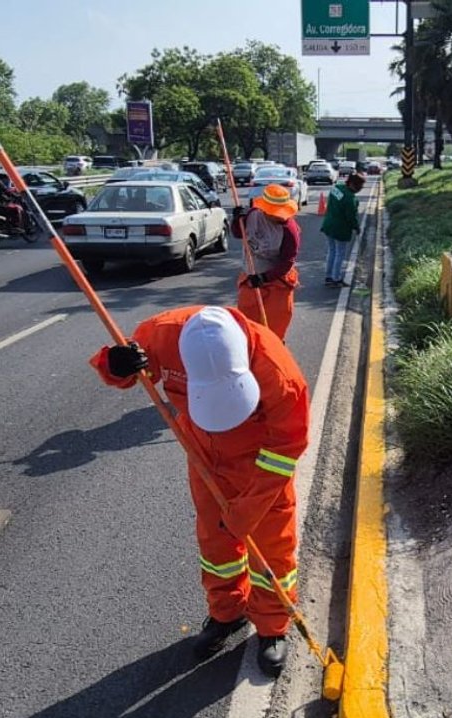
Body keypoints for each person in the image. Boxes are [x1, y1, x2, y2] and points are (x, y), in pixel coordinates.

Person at [89, 305, 309, 677]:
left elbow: (288, 444)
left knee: (271, 545)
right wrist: (117, 364)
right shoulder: (162, 335)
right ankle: (227, 613)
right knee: (216, 542)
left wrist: (250, 508)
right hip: (204, 457)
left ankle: (272, 626)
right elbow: (129, 371)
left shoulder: (278, 371)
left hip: (261, 464)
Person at [232, 183, 300, 340]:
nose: (279, 216)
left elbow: (287, 262)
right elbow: (238, 233)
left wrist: (264, 278)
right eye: (275, 213)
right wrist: (236, 219)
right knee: (248, 326)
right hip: (251, 278)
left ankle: (274, 352)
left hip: (277, 282)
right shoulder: (252, 216)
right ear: (264, 210)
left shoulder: (289, 230)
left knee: (274, 328)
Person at [319, 172, 365, 288]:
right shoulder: (350, 199)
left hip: (329, 225)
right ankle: (336, 279)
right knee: (340, 253)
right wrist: (357, 227)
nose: (360, 189)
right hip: (340, 229)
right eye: (359, 186)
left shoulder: (337, 188)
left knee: (332, 251)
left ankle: (329, 277)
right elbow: (351, 217)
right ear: (353, 184)